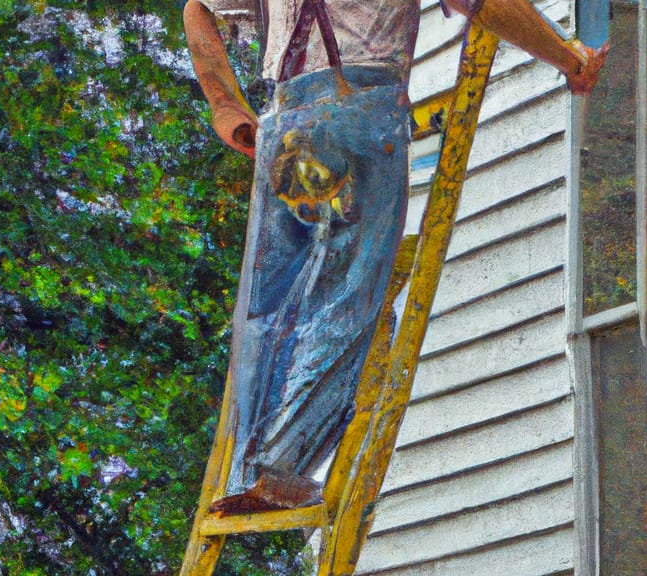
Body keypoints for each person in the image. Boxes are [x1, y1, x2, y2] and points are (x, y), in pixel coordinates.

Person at [183, 0, 606, 515]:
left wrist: (226, 107)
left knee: (267, 308)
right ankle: (281, 469)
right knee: (348, 292)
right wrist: (569, 57)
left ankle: (245, 470)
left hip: (283, 121)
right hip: (359, 111)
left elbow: (197, 8)